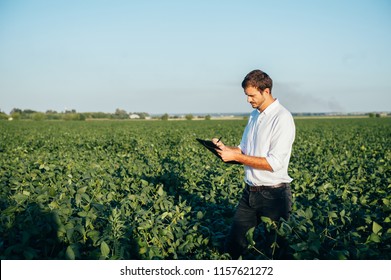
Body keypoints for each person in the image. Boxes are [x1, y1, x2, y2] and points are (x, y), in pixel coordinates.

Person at [212, 69, 295, 259]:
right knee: (233, 246)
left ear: (266, 91)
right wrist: (225, 149)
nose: (248, 100)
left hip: (274, 195)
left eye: (251, 95)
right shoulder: (254, 116)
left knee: (276, 251)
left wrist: (237, 158)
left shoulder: (282, 118)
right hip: (250, 192)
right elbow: (244, 149)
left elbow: (275, 163)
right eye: (246, 96)